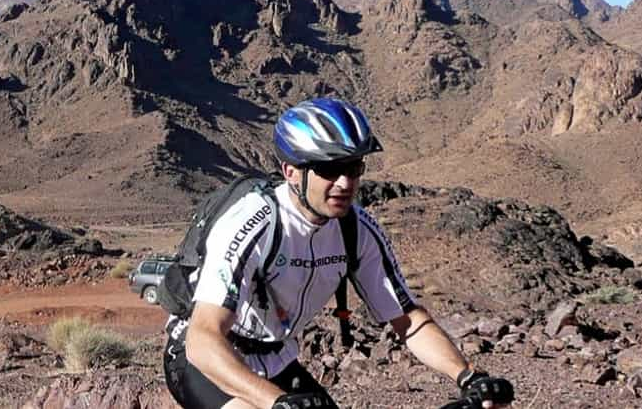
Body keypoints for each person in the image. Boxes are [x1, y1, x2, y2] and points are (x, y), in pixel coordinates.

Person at [162, 98, 515, 409]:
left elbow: (407, 320)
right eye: (330, 169)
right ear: (290, 172)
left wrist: (468, 376)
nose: (345, 183)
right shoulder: (252, 223)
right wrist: (275, 402)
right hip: (207, 362)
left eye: (354, 168)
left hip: (278, 358)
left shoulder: (356, 229)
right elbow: (203, 339)